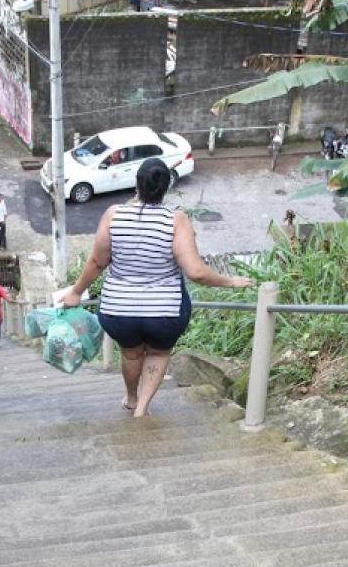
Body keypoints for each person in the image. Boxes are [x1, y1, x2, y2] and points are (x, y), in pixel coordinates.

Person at [61, 157, 252, 418]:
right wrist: (232, 281)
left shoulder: (114, 215)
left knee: (130, 354)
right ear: (165, 188)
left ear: (136, 184)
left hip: (119, 310)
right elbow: (196, 272)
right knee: (158, 355)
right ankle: (142, 409)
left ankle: (130, 398)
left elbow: (97, 261)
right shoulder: (176, 221)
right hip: (164, 312)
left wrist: (75, 291)